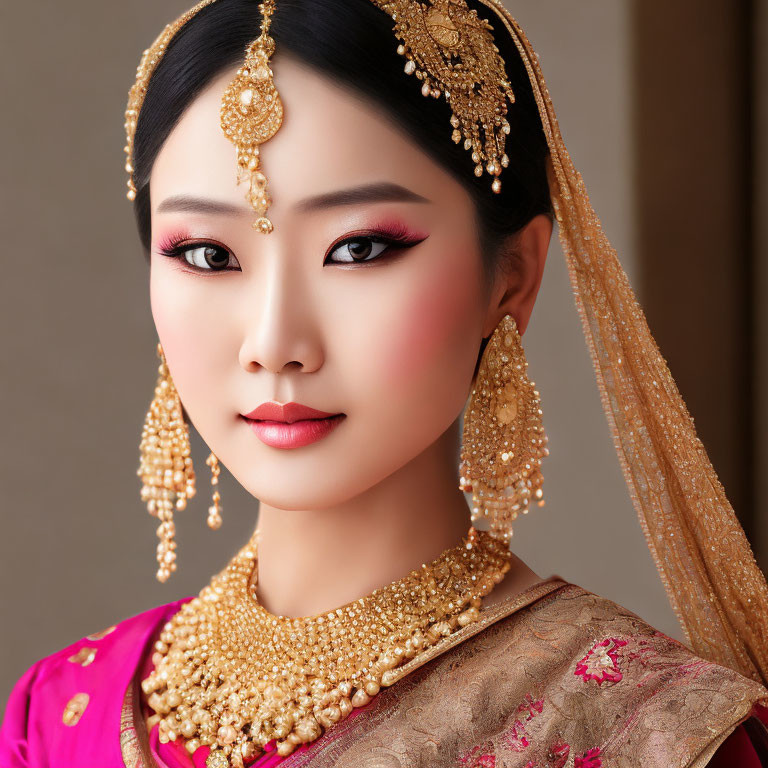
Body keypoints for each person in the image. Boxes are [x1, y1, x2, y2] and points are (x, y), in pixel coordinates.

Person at [2, 0, 767, 765]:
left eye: (359, 248)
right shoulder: (61, 715)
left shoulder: (650, 732)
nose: (275, 343)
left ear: (513, 274)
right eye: (206, 254)